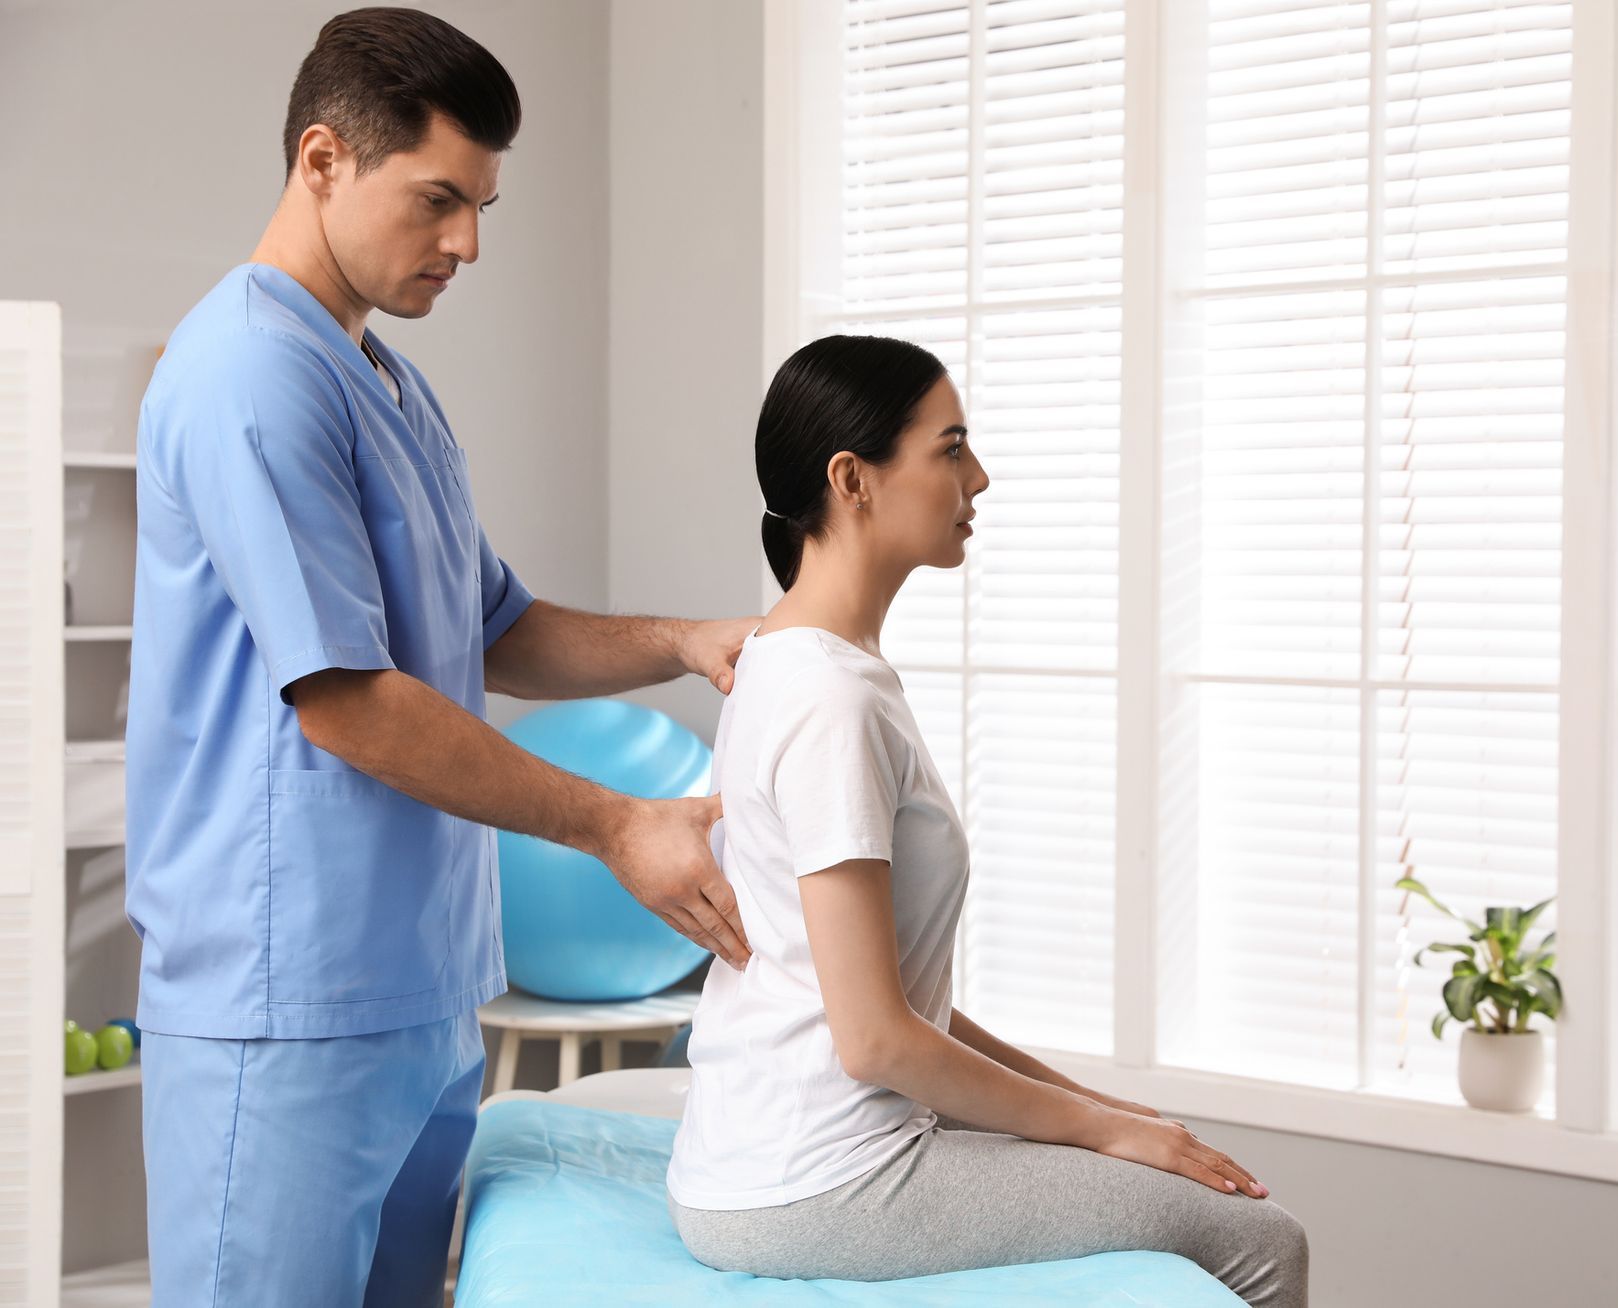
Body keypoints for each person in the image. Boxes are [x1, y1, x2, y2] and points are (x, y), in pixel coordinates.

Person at [126, 10, 756, 1305]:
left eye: (482, 205)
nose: (467, 240)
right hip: (282, 997)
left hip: (419, 990)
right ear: (322, 160)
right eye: (437, 200)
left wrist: (688, 641)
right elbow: (350, 706)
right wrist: (618, 826)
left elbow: (495, 627)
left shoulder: (391, 385)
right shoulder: (251, 373)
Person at [663, 335, 1309, 1306]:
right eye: (951, 447)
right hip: (812, 1177)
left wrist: (1090, 1105)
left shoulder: (791, 662)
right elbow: (876, 1042)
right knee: (1262, 1240)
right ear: (854, 480)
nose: (980, 477)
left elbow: (889, 995)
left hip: (770, 1153)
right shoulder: (826, 697)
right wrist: (1105, 1133)